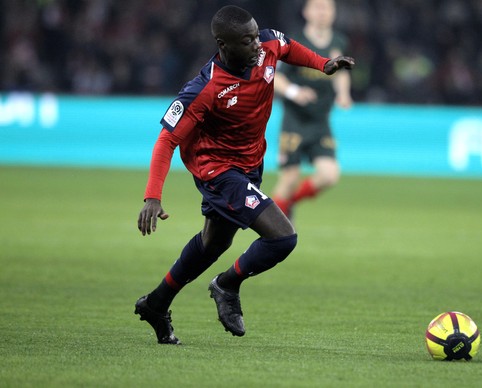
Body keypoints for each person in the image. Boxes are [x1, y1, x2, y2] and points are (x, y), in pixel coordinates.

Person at [134, 5, 354, 344]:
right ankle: (227, 285)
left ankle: (157, 303)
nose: (257, 45)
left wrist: (323, 64)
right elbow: (166, 141)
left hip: (250, 165)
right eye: (247, 41)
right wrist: (152, 195)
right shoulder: (204, 88)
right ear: (224, 44)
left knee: (215, 242)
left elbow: (288, 47)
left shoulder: (266, 47)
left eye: (256, 36)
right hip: (218, 171)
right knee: (282, 238)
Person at [271, 0, 352, 218]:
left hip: (320, 121)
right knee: (289, 178)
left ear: (334, 13)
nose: (322, 12)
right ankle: (273, 228)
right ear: (306, 12)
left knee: (329, 175)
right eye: (317, 7)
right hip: (294, 119)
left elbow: (342, 72)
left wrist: (343, 94)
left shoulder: (338, 42)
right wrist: (295, 92)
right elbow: (275, 76)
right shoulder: (294, 42)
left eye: (327, 8)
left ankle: (290, 204)